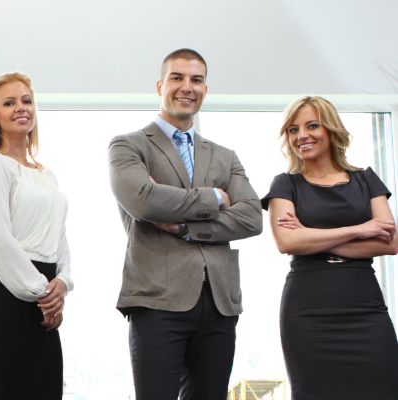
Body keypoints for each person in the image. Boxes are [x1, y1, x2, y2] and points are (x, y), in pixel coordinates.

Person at [107, 48, 262, 400]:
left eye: (196, 79)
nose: (186, 87)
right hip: (157, 301)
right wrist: (216, 198)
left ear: (205, 89)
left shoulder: (225, 156)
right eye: (177, 77)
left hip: (220, 302)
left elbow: (252, 216)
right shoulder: (128, 146)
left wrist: (184, 227)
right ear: (161, 85)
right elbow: (144, 201)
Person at [262, 96, 398, 399]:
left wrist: (313, 238)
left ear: (332, 130)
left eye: (312, 126)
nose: (302, 136)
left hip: (365, 309)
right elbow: (287, 242)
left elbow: (390, 243)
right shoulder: (285, 184)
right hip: (308, 313)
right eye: (293, 130)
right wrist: (360, 230)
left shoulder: (366, 179)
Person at [0, 72, 72, 400]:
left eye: (26, 100)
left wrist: (64, 283)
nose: (21, 108)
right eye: (9, 102)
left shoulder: (47, 174)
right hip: (5, 303)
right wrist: (45, 291)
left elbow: (60, 238)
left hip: (44, 303)